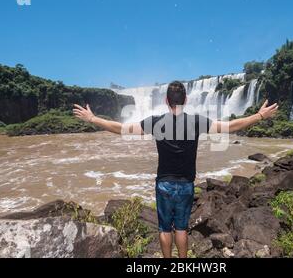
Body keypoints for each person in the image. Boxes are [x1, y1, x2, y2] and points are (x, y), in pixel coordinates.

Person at [73, 81, 278, 258]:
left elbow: (121, 129)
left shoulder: (156, 122)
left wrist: (93, 119)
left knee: (164, 228)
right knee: (181, 228)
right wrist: (259, 115)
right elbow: (231, 126)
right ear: (185, 100)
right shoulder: (196, 121)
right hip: (186, 185)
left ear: (166, 101)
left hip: (164, 184)